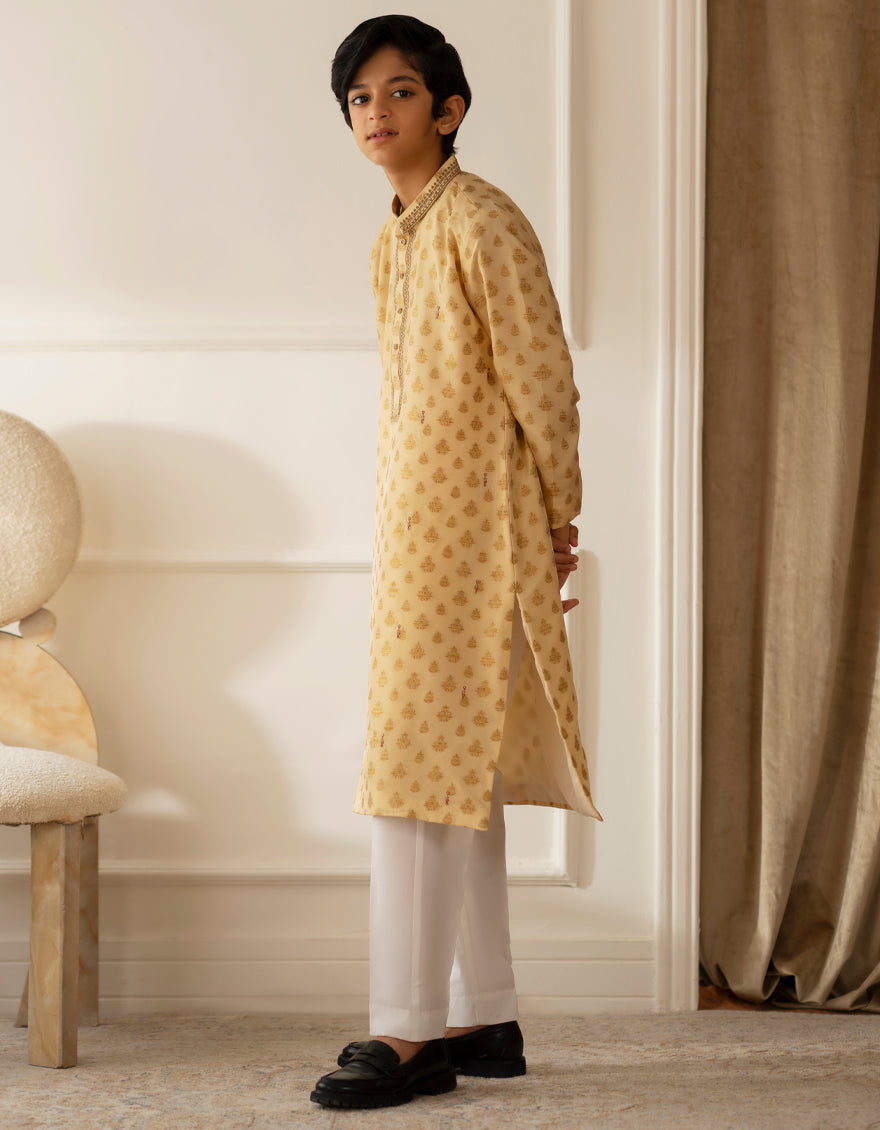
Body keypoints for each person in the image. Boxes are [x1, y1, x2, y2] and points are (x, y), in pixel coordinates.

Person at [311, 14, 601, 1111]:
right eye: (358, 99)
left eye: (397, 92)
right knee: (453, 765)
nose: (374, 113)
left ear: (449, 109)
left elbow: (543, 374)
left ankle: (408, 1029)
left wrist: (558, 511)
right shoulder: (393, 238)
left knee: (415, 770)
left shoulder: (481, 219)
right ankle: (486, 1010)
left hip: (478, 536)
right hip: (418, 535)